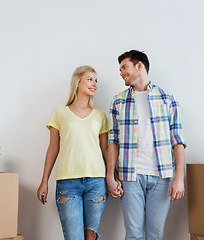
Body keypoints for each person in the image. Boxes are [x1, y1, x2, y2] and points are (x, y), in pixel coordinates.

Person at [106, 50, 187, 240]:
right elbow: (113, 141)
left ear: (139, 66)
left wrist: (179, 177)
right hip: (130, 176)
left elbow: (178, 140)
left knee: (155, 235)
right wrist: (110, 175)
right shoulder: (118, 101)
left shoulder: (167, 98)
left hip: (162, 176)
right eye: (120, 70)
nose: (121, 73)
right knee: (133, 235)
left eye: (124, 67)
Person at [37, 65, 109, 240]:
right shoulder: (60, 112)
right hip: (67, 184)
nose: (94, 84)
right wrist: (44, 181)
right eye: (90, 79)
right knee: (73, 237)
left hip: (97, 182)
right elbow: (53, 148)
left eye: (96, 80)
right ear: (77, 82)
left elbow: (105, 149)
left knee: (90, 237)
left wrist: (113, 176)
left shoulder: (100, 115)